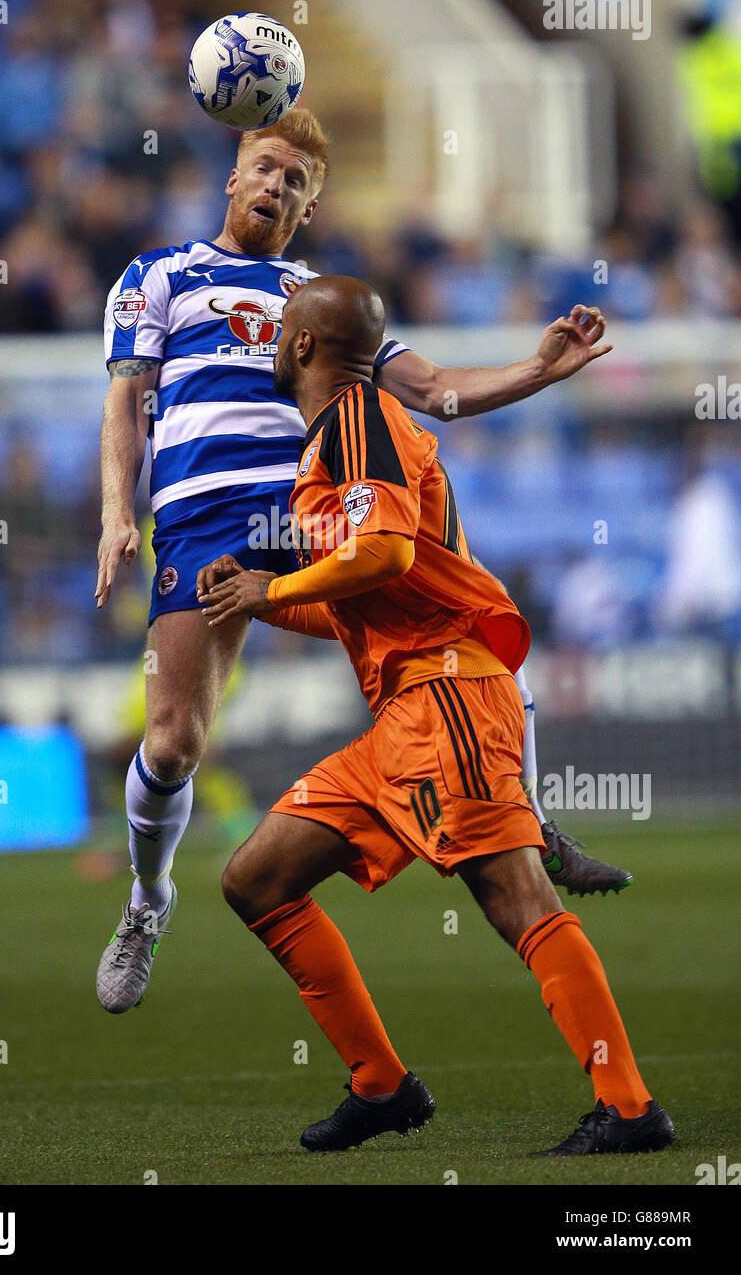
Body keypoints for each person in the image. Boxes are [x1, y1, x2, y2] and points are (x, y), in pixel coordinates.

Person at [94, 108, 627, 1017]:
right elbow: (125, 404)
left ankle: (528, 823)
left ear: (307, 209)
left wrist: (537, 371)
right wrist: (115, 514)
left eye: (297, 182)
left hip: (309, 517)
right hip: (201, 525)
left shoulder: (321, 301)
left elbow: (435, 392)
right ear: (232, 176)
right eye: (266, 167)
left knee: (464, 621)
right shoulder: (160, 276)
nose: (277, 186)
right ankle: (148, 900)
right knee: (174, 740)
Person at [197, 275, 674, 1156]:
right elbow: (366, 596)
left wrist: (275, 583)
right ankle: (381, 1088)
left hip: (449, 696)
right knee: (256, 880)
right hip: (404, 714)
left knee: (514, 899)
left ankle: (630, 1108)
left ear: (302, 345)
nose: (270, 345)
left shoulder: (357, 418)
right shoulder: (339, 437)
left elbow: (378, 555)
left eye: (279, 334)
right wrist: (259, 601)